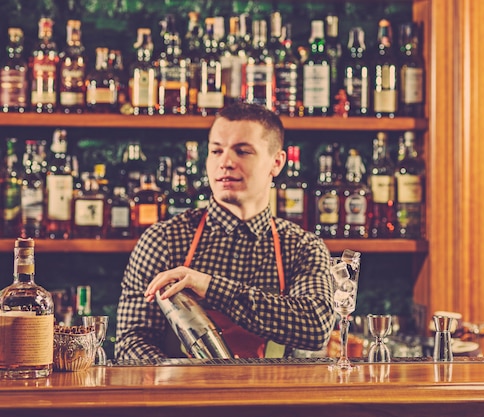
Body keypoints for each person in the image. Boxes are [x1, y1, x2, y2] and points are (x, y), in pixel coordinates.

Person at [115, 102, 335, 359]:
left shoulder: (301, 247)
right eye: (216, 151)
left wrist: (210, 287)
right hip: (185, 396)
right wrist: (177, 383)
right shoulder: (163, 240)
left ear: (277, 162)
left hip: (271, 396)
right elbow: (131, 342)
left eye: (242, 152)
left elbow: (316, 326)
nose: (226, 162)